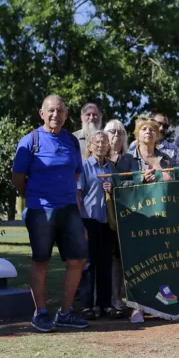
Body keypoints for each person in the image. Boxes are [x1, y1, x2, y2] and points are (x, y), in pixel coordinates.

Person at [12, 94, 89, 333]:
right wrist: (37, 197)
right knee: (41, 261)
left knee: (78, 260)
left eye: (60, 111)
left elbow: (75, 174)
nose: (56, 115)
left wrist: (72, 203)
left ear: (66, 115)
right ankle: (40, 313)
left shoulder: (72, 142)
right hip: (40, 210)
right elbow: (17, 178)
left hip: (69, 209)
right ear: (42, 114)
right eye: (51, 111)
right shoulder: (30, 141)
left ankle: (65, 312)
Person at [116, 117, 173, 324]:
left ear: (158, 136)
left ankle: (160, 304)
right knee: (137, 262)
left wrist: (161, 178)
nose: (148, 132)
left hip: (161, 218)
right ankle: (137, 307)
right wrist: (140, 179)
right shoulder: (126, 160)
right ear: (137, 134)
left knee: (162, 261)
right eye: (144, 129)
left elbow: (174, 183)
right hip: (135, 219)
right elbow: (118, 185)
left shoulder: (166, 159)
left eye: (152, 130)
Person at [77, 131, 116, 320]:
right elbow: (78, 195)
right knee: (88, 265)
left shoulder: (111, 167)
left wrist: (113, 188)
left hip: (106, 221)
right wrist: (79, 222)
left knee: (105, 264)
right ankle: (86, 305)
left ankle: (104, 304)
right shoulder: (84, 166)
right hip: (88, 220)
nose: (101, 145)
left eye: (104, 142)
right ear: (90, 146)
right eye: (97, 142)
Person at [102, 118, 129, 314]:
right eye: (112, 131)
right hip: (101, 216)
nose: (116, 135)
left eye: (120, 132)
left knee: (120, 258)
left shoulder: (129, 160)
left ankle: (118, 298)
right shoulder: (99, 159)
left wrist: (117, 187)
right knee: (104, 258)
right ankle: (103, 300)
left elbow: (136, 185)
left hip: (125, 215)